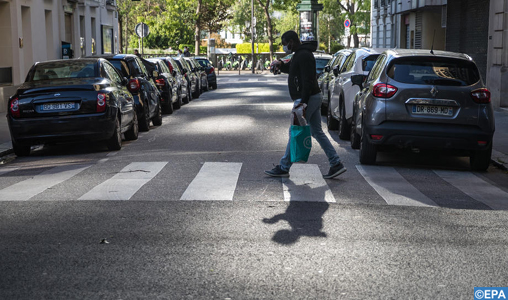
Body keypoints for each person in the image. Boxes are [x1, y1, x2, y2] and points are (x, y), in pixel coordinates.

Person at [264, 30, 346, 179]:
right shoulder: (301, 54)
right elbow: (294, 69)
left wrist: (303, 103)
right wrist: (280, 65)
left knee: (294, 131)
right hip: (311, 97)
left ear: (291, 42)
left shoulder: (304, 55)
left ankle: (284, 166)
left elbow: (307, 81)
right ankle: (336, 163)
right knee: (316, 132)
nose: (284, 47)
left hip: (307, 98)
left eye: (284, 44)